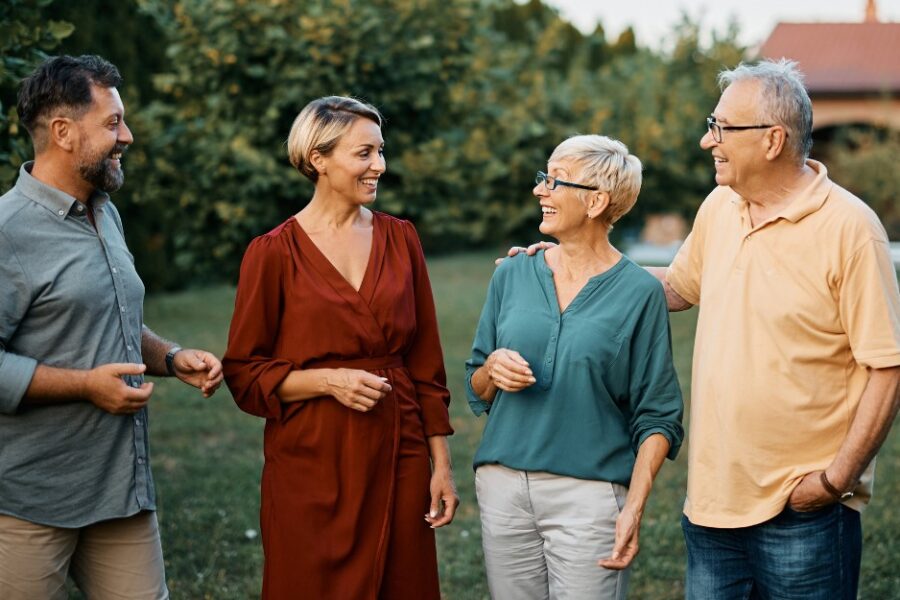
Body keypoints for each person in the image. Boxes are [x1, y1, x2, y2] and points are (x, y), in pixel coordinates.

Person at [510, 59, 900, 599]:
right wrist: (571, 265)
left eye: (720, 128)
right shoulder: (721, 206)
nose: (705, 141)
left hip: (803, 509)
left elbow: (887, 367)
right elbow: (675, 286)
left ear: (771, 140)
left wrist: (835, 481)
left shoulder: (851, 230)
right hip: (713, 505)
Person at [0, 55, 223, 600]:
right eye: (112, 122)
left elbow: (114, 320)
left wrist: (170, 357)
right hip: (29, 504)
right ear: (63, 132)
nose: (127, 134)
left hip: (122, 494)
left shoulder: (105, 212)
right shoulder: (7, 232)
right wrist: (84, 386)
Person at [222, 95, 458, 600]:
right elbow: (243, 372)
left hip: (400, 448)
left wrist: (441, 463)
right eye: (364, 153)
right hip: (311, 458)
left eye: (380, 151)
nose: (380, 165)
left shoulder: (402, 239)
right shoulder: (271, 253)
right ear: (318, 159)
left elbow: (426, 362)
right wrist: (327, 381)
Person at [466, 134, 684, 600]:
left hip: (589, 498)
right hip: (502, 488)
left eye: (553, 180)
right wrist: (493, 370)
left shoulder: (639, 293)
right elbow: (475, 384)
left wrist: (634, 507)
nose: (539, 190)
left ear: (596, 201)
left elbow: (659, 414)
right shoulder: (512, 273)